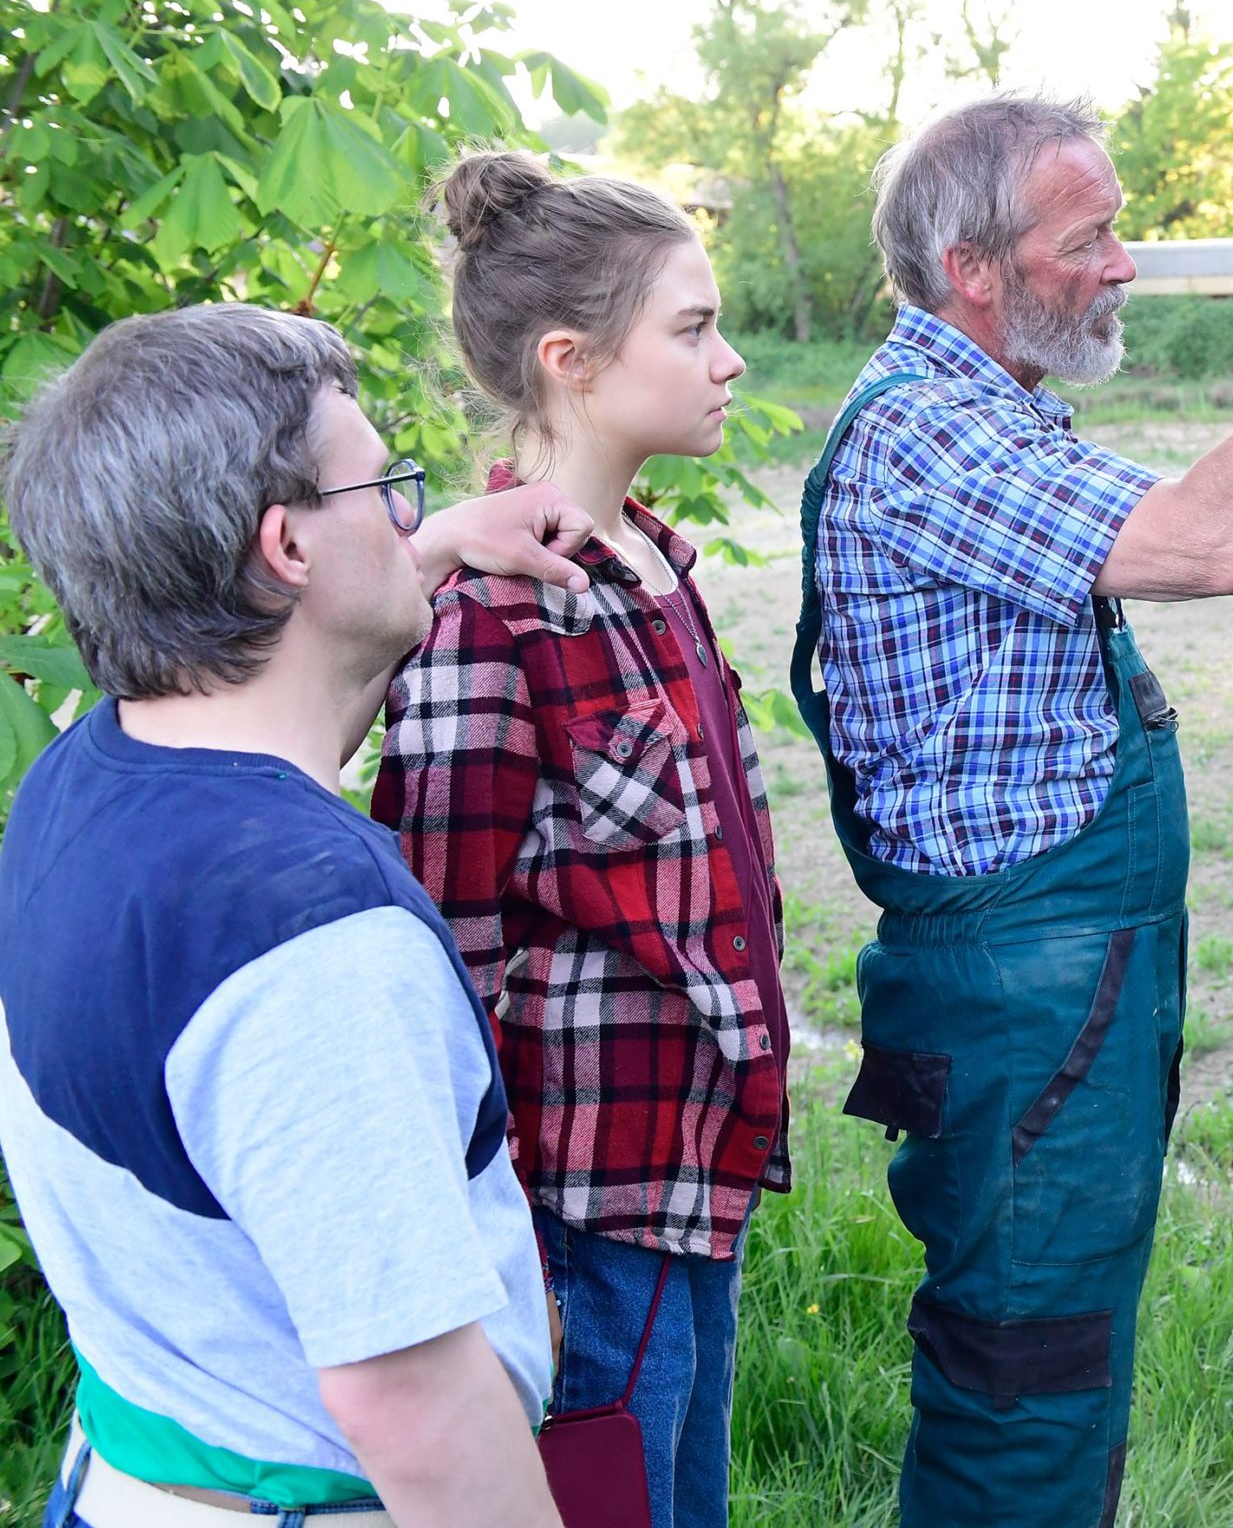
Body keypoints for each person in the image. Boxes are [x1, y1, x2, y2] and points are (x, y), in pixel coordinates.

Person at [790, 93, 1233, 1526]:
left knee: (1057, 1369)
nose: (1122, 264)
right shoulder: (926, 431)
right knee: (1022, 1381)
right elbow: (1213, 540)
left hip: (1058, 996)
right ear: (973, 268)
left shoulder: (993, 414)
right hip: (1019, 1007)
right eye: (1087, 238)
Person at [0, 302, 596, 1527]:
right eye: (387, 490)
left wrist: (437, 545)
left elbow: (289, 693)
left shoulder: (81, 781)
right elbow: (410, 1404)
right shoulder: (313, 948)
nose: (410, 518)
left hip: (134, 1475)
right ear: (285, 546)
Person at [369, 152, 787, 1528]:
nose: (728, 359)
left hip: (693, 1159)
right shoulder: (488, 620)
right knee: (614, 1498)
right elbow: (443, 956)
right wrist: (495, 1237)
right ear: (573, 361)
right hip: (583, 1201)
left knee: (685, 1493)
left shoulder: (656, 567)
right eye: (692, 328)